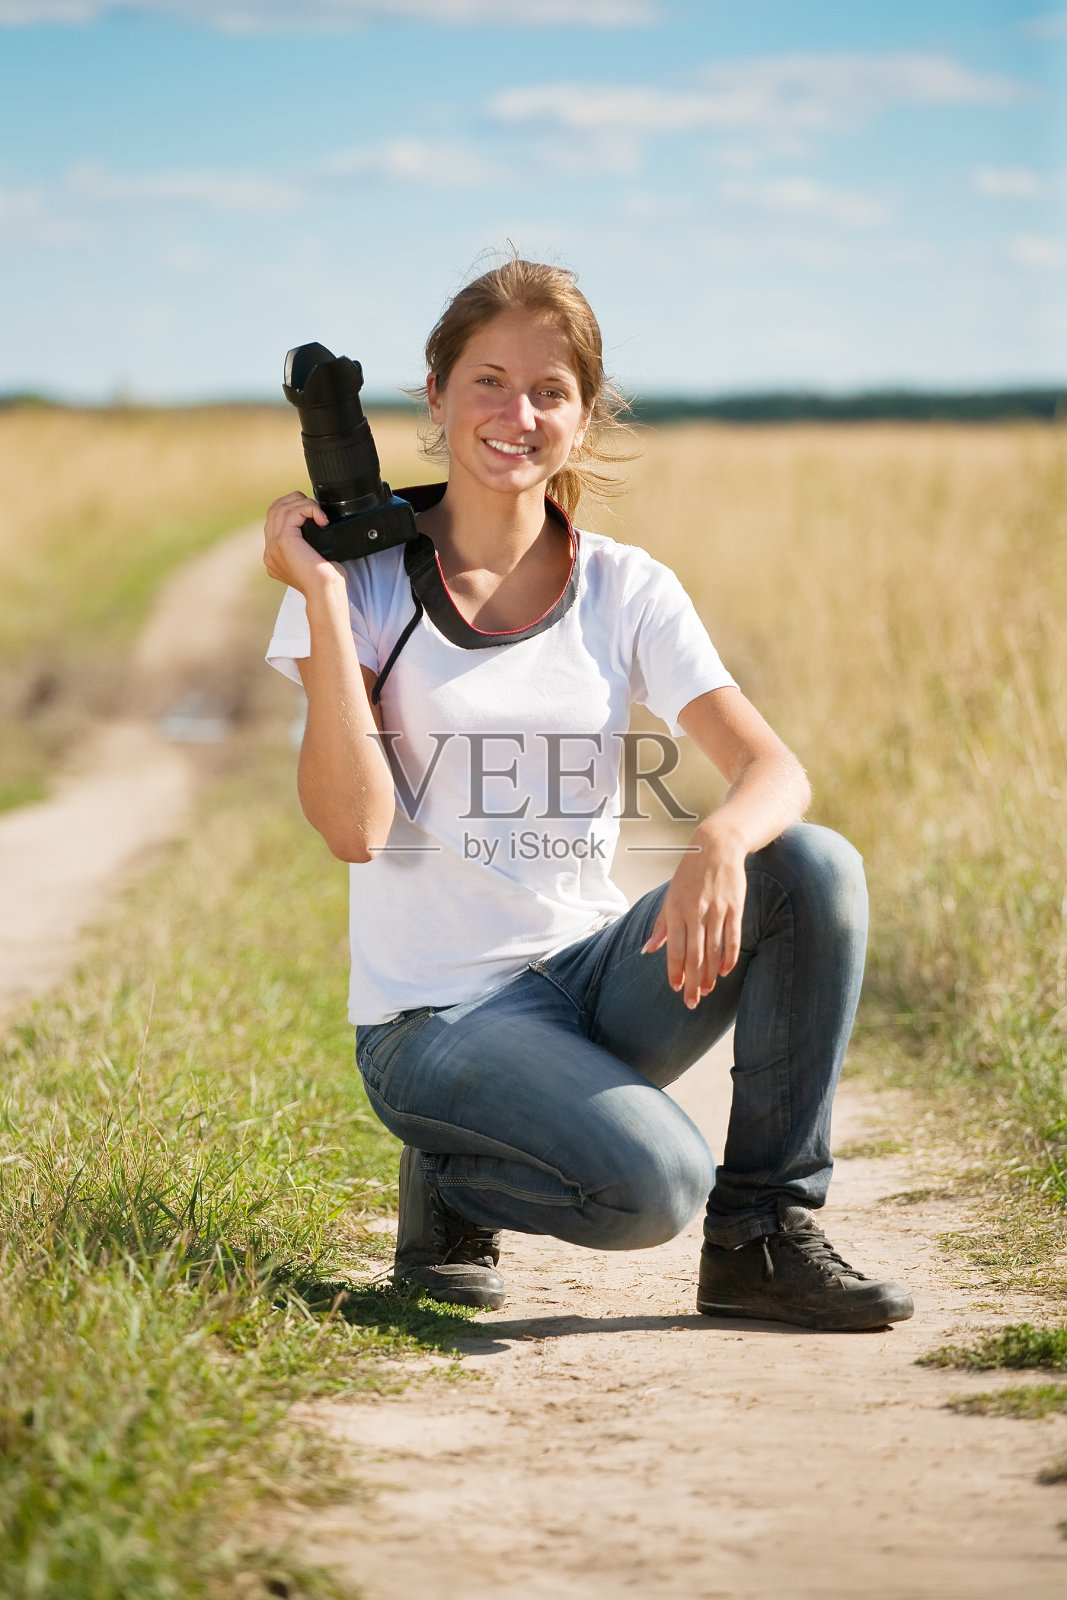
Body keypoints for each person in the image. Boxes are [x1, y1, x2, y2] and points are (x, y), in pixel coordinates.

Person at [263, 257, 913, 1333]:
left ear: (583, 414)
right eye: (487, 380)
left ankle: (761, 1237)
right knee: (653, 1187)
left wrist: (715, 837)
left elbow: (776, 772)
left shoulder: (623, 586)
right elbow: (354, 826)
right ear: (433, 396)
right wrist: (326, 602)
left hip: (585, 985)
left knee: (810, 863)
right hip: (434, 1019)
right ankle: (450, 1179)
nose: (516, 414)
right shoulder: (365, 586)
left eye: (549, 390)